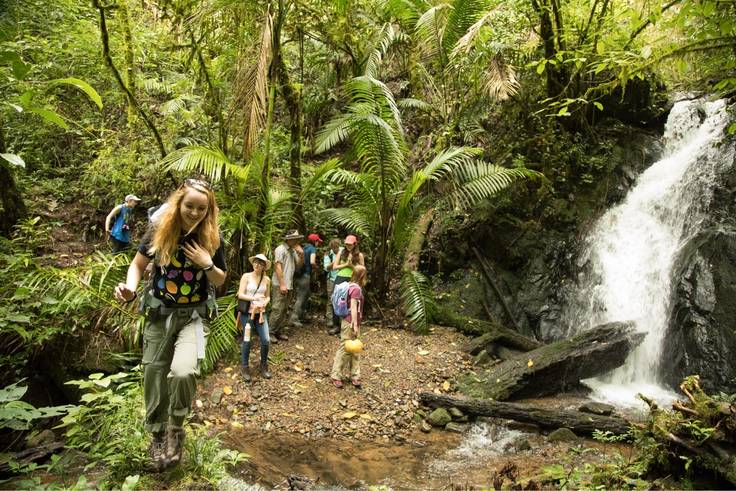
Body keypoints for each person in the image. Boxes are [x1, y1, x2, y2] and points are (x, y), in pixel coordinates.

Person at [113, 178, 226, 471]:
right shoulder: (160, 229)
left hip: (194, 317)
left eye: (202, 208)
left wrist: (207, 263)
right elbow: (138, 264)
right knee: (153, 375)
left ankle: (176, 430)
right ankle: (157, 435)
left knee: (183, 372)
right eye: (190, 206)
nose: (194, 212)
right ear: (179, 204)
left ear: (209, 209)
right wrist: (129, 288)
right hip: (159, 315)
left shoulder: (213, 238)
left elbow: (221, 280)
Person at [330, 264, 367, 388]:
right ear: (362, 276)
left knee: (355, 349)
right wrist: (355, 325)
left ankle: (355, 375)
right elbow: (353, 306)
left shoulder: (349, 285)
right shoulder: (355, 288)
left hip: (349, 321)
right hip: (350, 321)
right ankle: (336, 375)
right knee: (345, 348)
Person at [237, 253, 272, 382]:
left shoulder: (266, 279)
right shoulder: (246, 276)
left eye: (260, 263)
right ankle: (244, 367)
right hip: (247, 314)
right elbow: (240, 294)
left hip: (261, 314)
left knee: (266, 339)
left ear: (264, 266)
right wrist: (254, 298)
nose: (257, 265)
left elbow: (268, 296)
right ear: (253, 263)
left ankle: (263, 366)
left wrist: (265, 302)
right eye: (255, 262)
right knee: (247, 340)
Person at [270, 229, 304, 342]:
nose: (297, 240)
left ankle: (278, 331)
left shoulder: (292, 250)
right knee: (277, 309)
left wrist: (302, 255)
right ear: (289, 239)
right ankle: (270, 332)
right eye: (295, 238)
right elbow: (277, 266)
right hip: (280, 284)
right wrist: (282, 284)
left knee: (284, 309)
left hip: (289, 284)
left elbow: (298, 265)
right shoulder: (281, 249)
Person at [330, 235, 364, 334]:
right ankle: (336, 325)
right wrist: (346, 264)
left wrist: (352, 266)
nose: (348, 246)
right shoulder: (342, 252)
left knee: (351, 303)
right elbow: (335, 266)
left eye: (350, 244)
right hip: (340, 278)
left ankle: (349, 325)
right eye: (347, 244)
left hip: (353, 279)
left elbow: (362, 270)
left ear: (355, 244)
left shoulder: (359, 255)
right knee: (336, 300)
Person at [290, 233, 321, 327]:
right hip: (305, 275)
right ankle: (293, 319)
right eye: (318, 242)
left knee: (305, 295)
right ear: (314, 241)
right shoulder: (312, 248)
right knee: (301, 297)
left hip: (297, 274)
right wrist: (316, 267)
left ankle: (301, 315)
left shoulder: (303, 247)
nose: (318, 244)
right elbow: (312, 261)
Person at [323, 238, 342, 334]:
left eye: (337, 247)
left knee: (341, 300)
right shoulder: (328, 254)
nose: (336, 249)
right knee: (331, 300)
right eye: (334, 248)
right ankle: (330, 320)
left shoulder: (343, 251)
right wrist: (334, 263)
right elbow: (326, 268)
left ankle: (341, 321)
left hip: (342, 278)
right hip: (331, 280)